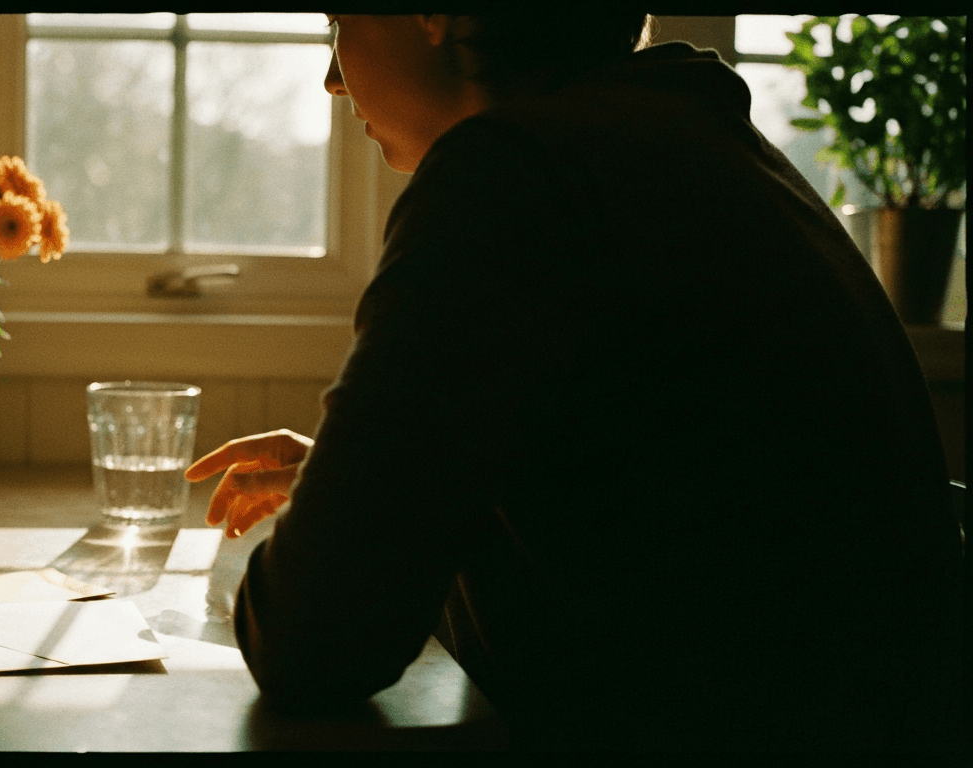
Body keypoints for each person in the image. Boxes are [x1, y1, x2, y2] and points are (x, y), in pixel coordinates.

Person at [185, 14, 963, 751]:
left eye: (337, 22)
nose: (333, 79)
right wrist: (369, 486)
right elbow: (648, 520)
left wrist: (335, 532)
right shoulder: (689, 142)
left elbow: (310, 641)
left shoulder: (510, 173)